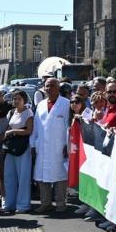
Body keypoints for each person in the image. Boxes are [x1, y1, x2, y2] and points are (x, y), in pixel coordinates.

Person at [31, 78, 71, 214]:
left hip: (59, 145)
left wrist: (68, 144)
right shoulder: (41, 104)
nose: (49, 88)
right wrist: (33, 143)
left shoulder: (66, 104)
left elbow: (69, 126)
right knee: (42, 175)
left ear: (58, 87)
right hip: (42, 145)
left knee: (60, 175)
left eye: (52, 86)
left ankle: (61, 203)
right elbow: (36, 126)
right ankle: (45, 203)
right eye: (47, 86)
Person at [1, 90, 35, 216]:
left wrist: (12, 131)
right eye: (14, 98)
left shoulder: (28, 113)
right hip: (10, 147)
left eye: (18, 98)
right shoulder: (11, 112)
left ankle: (23, 204)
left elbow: (29, 131)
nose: (15, 101)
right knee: (9, 176)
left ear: (24, 100)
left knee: (23, 176)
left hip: (22, 147)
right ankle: (10, 203)